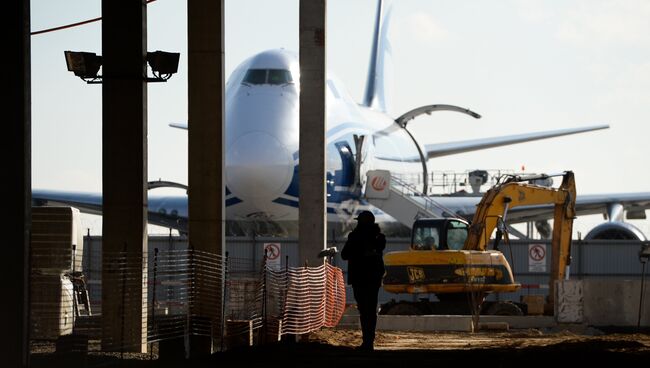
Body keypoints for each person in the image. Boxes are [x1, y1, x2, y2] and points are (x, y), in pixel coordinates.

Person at [341, 210, 386, 351]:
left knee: (364, 310)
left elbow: (344, 255)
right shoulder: (379, 237)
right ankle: (369, 342)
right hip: (373, 279)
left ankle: (366, 342)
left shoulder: (354, 236)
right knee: (371, 311)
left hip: (359, 279)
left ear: (359, 222)